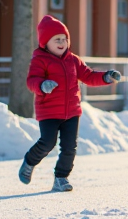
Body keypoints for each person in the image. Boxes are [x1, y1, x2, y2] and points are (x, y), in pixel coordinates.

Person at [19, 15, 121, 191]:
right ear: (45, 43)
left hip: (72, 112)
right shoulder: (40, 60)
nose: (62, 42)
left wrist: (105, 77)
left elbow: (88, 75)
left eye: (64, 39)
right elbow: (31, 81)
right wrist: (43, 85)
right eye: (56, 39)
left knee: (69, 148)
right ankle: (30, 161)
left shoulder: (73, 60)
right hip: (49, 111)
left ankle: (61, 178)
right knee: (47, 142)